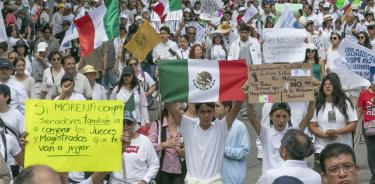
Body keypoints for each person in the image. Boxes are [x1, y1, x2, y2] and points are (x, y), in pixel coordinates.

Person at [165, 100, 242, 183]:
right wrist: (164, 91)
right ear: (197, 112)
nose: (206, 115)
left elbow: (237, 107)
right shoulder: (188, 125)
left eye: (209, 111)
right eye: (202, 112)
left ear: (213, 112)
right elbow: (170, 106)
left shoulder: (221, 127)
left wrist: (244, 93)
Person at [309, 73, 358, 172]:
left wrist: (337, 132)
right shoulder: (317, 104)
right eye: (325, 84)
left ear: (336, 86)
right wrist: (324, 135)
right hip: (321, 149)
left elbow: (353, 124)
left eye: (330, 84)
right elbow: (312, 125)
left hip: (343, 150)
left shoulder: (345, 103)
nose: (327, 86)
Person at [247, 102, 311, 174]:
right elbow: (251, 117)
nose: (281, 120)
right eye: (277, 116)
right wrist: (247, 97)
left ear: (289, 117)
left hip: (287, 178)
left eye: (284, 116)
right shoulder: (265, 133)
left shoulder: (293, 133)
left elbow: (309, 116)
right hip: (270, 179)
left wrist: (313, 97)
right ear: (270, 116)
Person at [109, 110, 159, 184]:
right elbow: (107, 163)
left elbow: (154, 163)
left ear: (134, 124)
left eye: (128, 123)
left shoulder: (145, 141)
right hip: (116, 181)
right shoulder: (112, 140)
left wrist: (144, 180)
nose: (125, 126)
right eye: (122, 123)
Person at [148, 103, 186, 184]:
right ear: (170, 109)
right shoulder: (158, 125)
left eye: (183, 109)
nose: (183, 112)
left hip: (179, 171)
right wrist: (164, 144)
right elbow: (148, 147)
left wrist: (184, 152)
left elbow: (192, 147)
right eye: (180, 109)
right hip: (162, 171)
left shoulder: (184, 126)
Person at [215, 101, 250, 184]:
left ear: (227, 108)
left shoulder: (239, 126)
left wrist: (223, 150)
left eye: (217, 106)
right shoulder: (213, 125)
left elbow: (244, 152)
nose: (214, 109)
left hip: (233, 180)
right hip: (215, 179)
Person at [357, 80, 375, 183]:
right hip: (369, 126)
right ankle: (374, 173)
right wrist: (354, 122)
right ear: (371, 84)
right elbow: (359, 110)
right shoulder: (364, 94)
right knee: (372, 150)